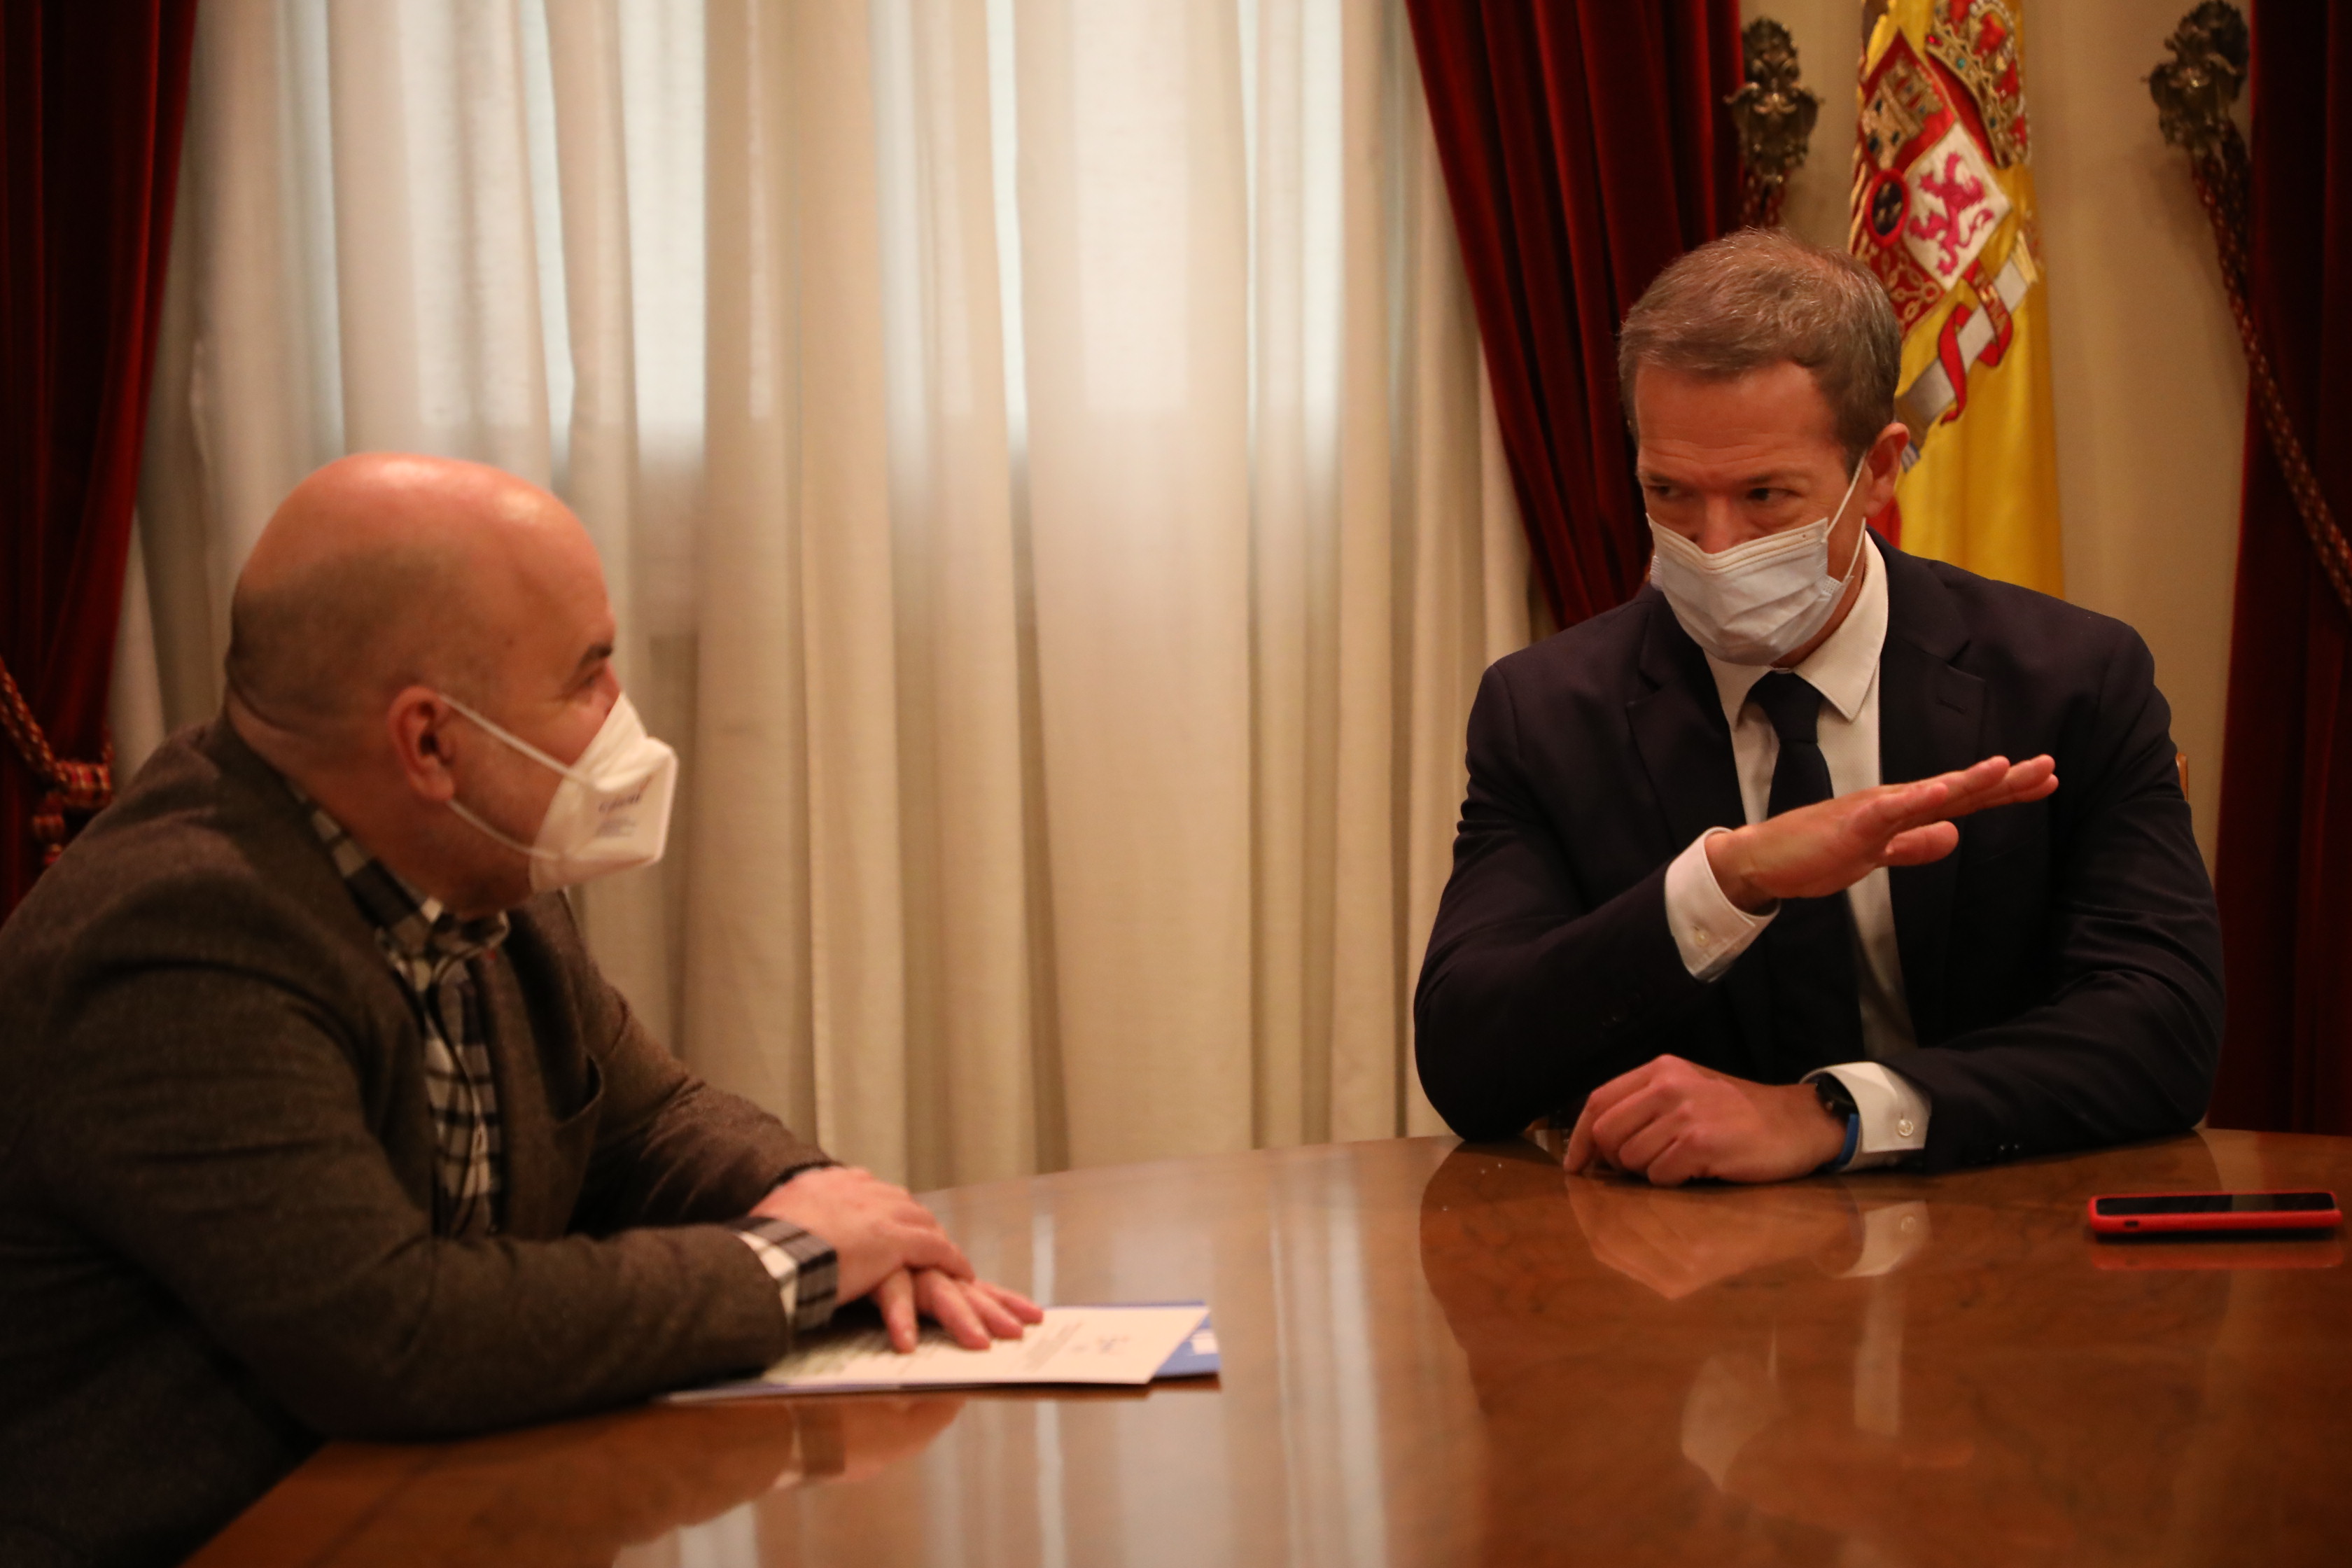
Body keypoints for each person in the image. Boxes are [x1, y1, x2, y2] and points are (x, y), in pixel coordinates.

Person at [0, 454, 1040, 1568]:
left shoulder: (464, 862)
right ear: (432, 745)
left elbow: (651, 1120)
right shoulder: (183, 939)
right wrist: (793, 1265)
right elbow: (391, 1335)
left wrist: (825, 1209)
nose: (619, 717)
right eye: (588, 675)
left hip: (436, 1514)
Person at [1413, 229, 2222, 1184]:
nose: (1713, 546)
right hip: (1679, 1279)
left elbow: (2162, 1029)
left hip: (1996, 1232)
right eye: (1668, 493)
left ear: (1879, 468)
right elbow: (1469, 1062)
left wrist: (1830, 1115)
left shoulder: (2067, 681)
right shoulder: (1547, 710)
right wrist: (1729, 880)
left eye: (1766, 495)